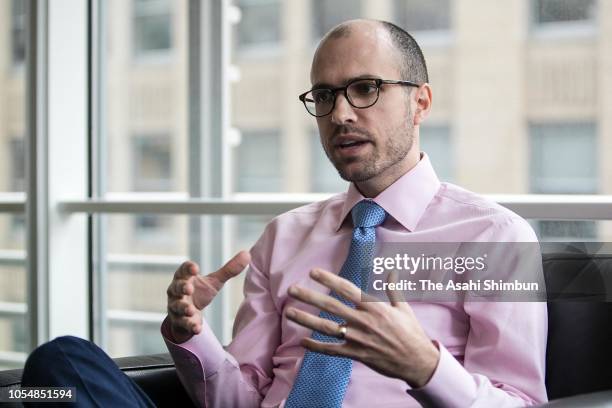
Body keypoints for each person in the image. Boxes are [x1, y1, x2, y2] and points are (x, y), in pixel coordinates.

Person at [21, 19, 547, 408]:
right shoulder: (286, 235)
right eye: (325, 95)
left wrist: (426, 367)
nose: (341, 114)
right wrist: (191, 335)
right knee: (58, 366)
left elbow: (523, 402)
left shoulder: (495, 237)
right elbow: (237, 400)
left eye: (366, 89)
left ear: (421, 102)